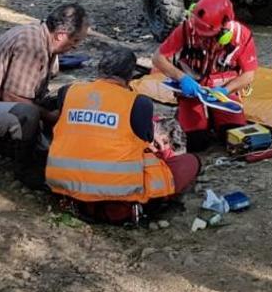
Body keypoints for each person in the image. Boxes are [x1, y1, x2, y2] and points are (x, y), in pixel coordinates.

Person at [46, 47, 201, 224]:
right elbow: (145, 142)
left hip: (66, 189)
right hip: (117, 201)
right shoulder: (138, 102)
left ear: (100, 69)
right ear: (129, 76)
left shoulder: (68, 92)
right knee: (190, 162)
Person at [0, 4, 89, 188]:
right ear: (61, 35)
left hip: (0, 105)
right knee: (27, 116)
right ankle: (25, 169)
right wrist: (49, 116)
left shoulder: (44, 39)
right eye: (75, 41)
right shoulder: (32, 45)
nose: (74, 47)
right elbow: (13, 96)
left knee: (65, 96)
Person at [152, 0, 258, 152]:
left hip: (223, 91)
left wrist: (225, 90)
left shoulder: (241, 35)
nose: (201, 38)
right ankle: (191, 117)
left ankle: (216, 119)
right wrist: (182, 78)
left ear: (224, 29)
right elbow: (158, 58)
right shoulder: (187, 29)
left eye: (206, 35)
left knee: (233, 135)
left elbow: (248, 75)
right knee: (195, 143)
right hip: (191, 90)